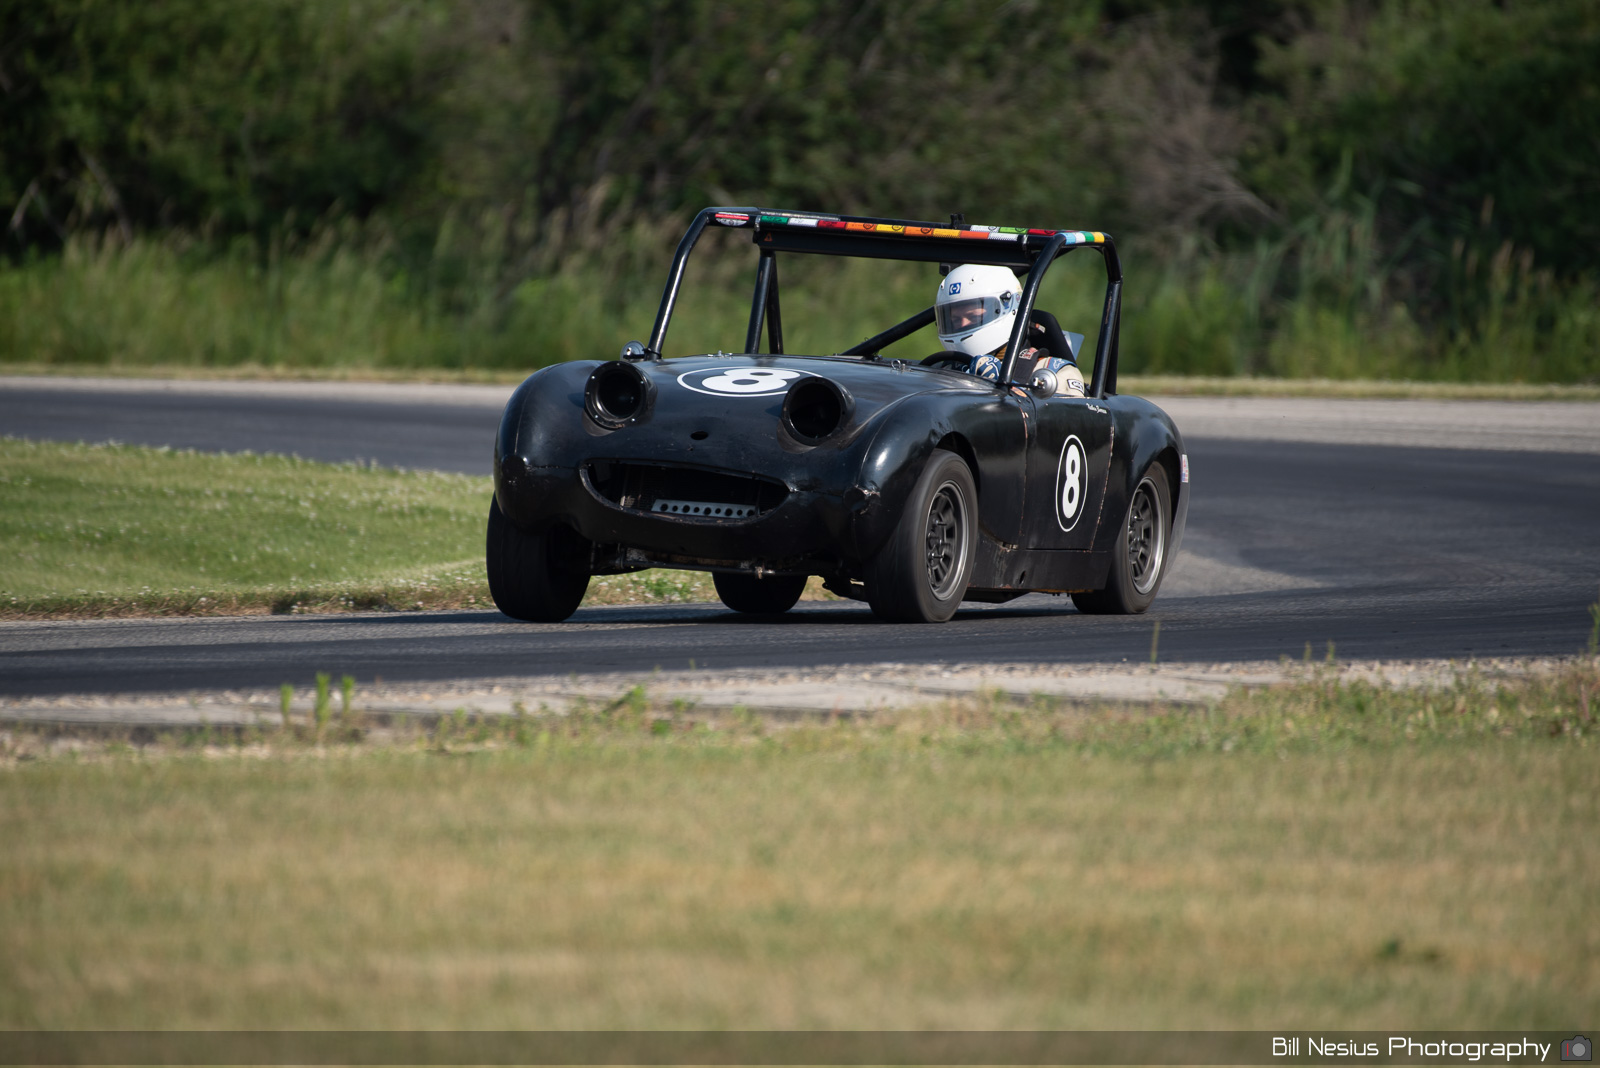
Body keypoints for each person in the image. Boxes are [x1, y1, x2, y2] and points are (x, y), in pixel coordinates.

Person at [934, 264, 1086, 396]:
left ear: (1008, 306)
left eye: (973, 317)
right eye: (954, 321)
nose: (963, 325)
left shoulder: (1052, 373)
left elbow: (1070, 423)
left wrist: (1007, 386)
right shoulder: (942, 369)